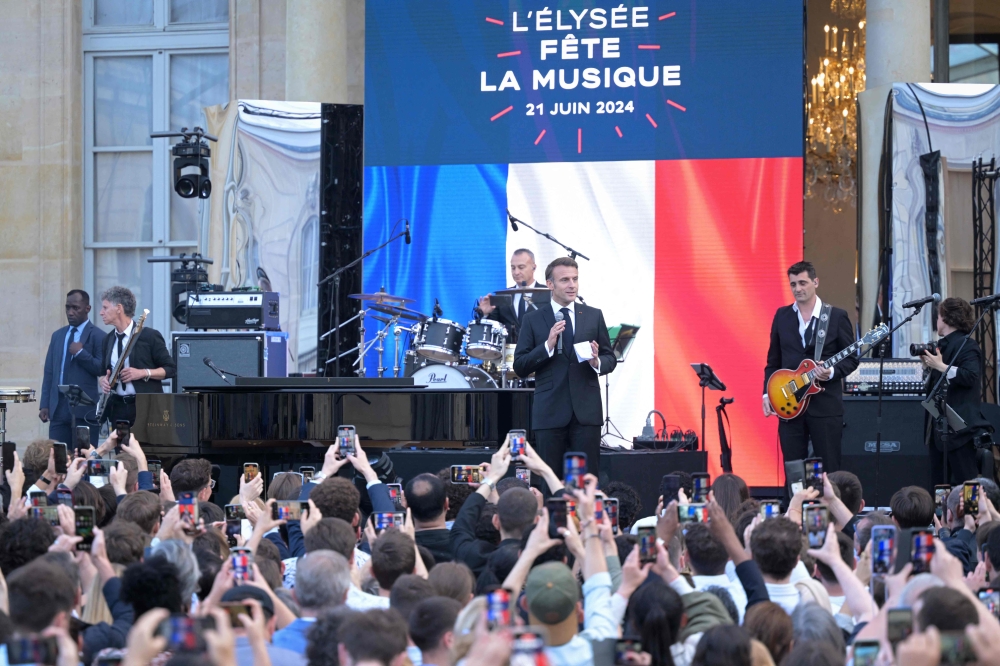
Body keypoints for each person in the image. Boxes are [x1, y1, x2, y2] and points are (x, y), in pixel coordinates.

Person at [513, 257, 617, 474]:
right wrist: (547, 346)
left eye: (575, 279)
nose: (572, 285)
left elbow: (610, 357)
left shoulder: (593, 315)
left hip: (586, 413)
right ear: (550, 284)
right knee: (551, 480)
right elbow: (520, 365)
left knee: (586, 480)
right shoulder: (533, 319)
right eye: (565, 280)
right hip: (550, 413)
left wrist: (596, 361)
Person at [763, 261, 858, 472]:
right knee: (793, 470)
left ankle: (829, 506)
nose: (798, 289)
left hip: (825, 407)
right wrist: (766, 395)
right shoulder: (782, 316)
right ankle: (795, 505)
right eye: (793, 284)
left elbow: (852, 359)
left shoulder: (836, 317)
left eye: (803, 283)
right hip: (789, 404)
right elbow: (773, 362)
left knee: (829, 470)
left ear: (815, 282)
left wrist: (831, 372)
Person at [922, 296, 992, 484]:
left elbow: (970, 376)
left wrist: (941, 366)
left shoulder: (967, 345)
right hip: (938, 428)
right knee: (939, 485)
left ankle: (974, 513)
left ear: (945, 317)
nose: (936, 321)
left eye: (938, 316)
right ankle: (942, 514)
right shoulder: (942, 346)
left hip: (960, 430)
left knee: (967, 483)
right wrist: (930, 367)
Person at [97, 286, 176, 427]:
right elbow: (103, 373)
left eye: (105, 307)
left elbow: (171, 369)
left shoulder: (149, 336)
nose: (101, 313)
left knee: (146, 449)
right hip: (118, 408)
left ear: (118, 308)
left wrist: (143, 373)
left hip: (146, 408)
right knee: (120, 449)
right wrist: (103, 381)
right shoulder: (107, 340)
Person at [39, 290, 106, 446]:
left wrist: (81, 353)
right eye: (67, 308)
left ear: (87, 308)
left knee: (83, 460)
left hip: (84, 411)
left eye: (75, 308)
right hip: (58, 409)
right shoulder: (58, 335)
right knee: (58, 460)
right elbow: (49, 372)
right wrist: (45, 404)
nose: (70, 312)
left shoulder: (98, 336)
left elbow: (100, 369)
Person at [477, 248, 552, 340]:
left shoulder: (548, 293)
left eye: (521, 267)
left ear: (534, 267)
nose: (516, 272)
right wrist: (485, 314)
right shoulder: (502, 295)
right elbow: (491, 330)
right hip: (509, 352)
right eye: (513, 268)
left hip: (539, 351)